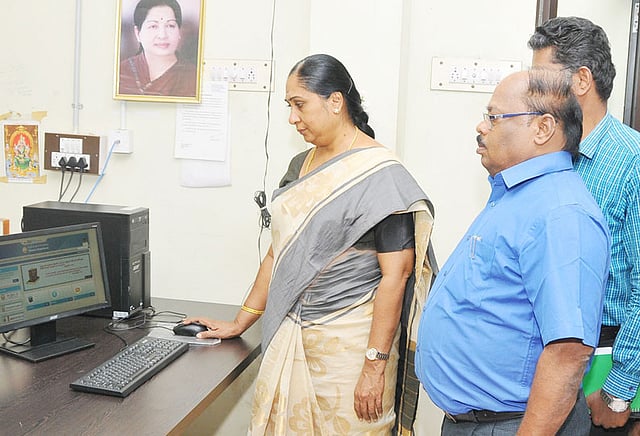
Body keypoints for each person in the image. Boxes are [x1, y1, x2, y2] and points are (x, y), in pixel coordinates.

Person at [183, 54, 437, 434]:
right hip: (289, 337)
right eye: (289, 106)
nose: (292, 118)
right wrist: (240, 322)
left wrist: (374, 365)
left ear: (335, 101)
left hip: (349, 354)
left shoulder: (382, 177)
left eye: (299, 104)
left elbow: (396, 276)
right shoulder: (299, 166)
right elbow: (278, 253)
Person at [415, 69, 611, 435]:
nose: (481, 126)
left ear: (543, 128)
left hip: (512, 425)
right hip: (480, 421)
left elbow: (568, 352)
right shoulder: (518, 195)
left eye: (494, 117)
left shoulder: (561, 213)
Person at [529, 16, 640, 435]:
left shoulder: (631, 161)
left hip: (602, 366)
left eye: (542, 78)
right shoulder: (542, 154)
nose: (533, 91)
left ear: (581, 80)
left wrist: (619, 390)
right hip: (542, 359)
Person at [118, 0, 196, 97]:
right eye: (153, 26)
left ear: (179, 31)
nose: (162, 35)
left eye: (170, 26)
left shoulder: (193, 77)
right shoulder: (121, 72)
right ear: (138, 33)